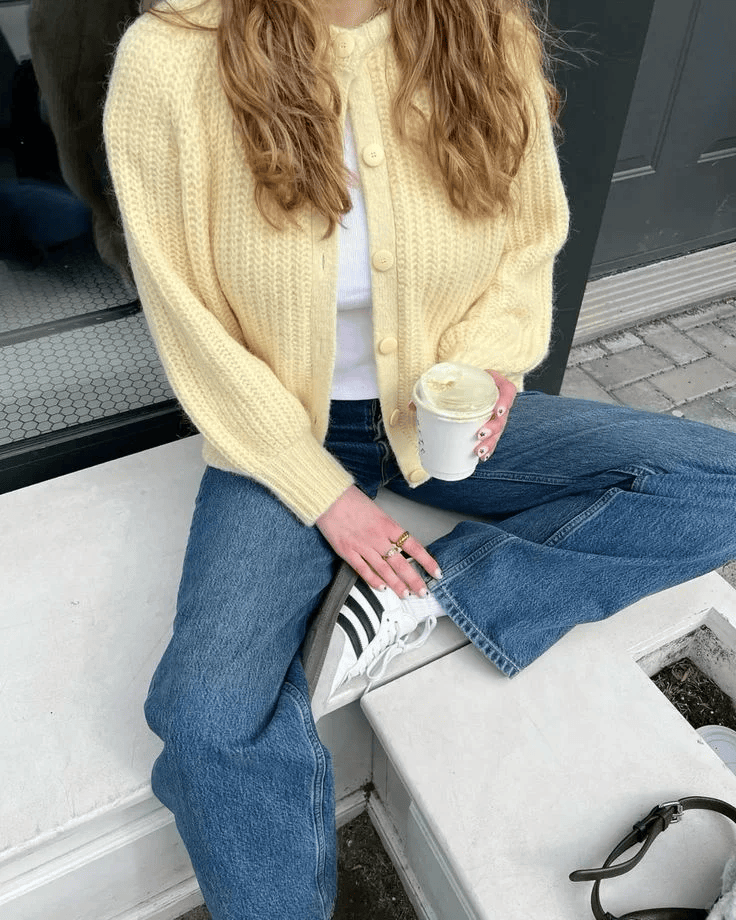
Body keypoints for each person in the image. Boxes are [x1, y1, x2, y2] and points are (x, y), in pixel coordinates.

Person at [102, 0, 736, 916]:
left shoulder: (483, 30)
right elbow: (186, 320)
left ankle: (437, 595)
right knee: (205, 717)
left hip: (442, 410)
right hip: (286, 433)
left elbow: (528, 238)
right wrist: (325, 497)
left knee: (718, 482)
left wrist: (489, 361)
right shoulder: (171, 62)